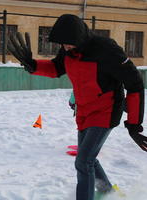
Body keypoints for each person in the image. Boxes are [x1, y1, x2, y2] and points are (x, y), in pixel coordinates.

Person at [8, 14, 147, 200]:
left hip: (106, 111)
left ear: (79, 38)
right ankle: (108, 193)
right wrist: (33, 65)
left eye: (68, 44)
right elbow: (57, 68)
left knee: (83, 162)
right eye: (62, 45)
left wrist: (133, 125)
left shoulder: (106, 49)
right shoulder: (68, 50)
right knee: (87, 158)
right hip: (84, 111)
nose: (65, 48)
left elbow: (135, 83)